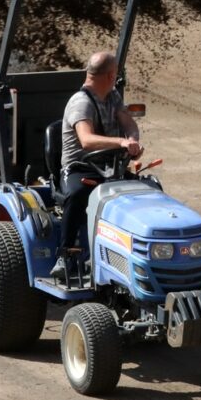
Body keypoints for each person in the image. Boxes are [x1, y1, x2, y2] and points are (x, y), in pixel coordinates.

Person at [58, 51, 143, 250]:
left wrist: (132, 140)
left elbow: (129, 123)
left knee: (149, 188)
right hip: (81, 168)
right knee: (78, 193)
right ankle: (65, 254)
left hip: (111, 167)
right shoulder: (81, 103)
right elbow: (86, 140)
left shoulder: (112, 96)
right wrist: (121, 142)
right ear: (111, 76)